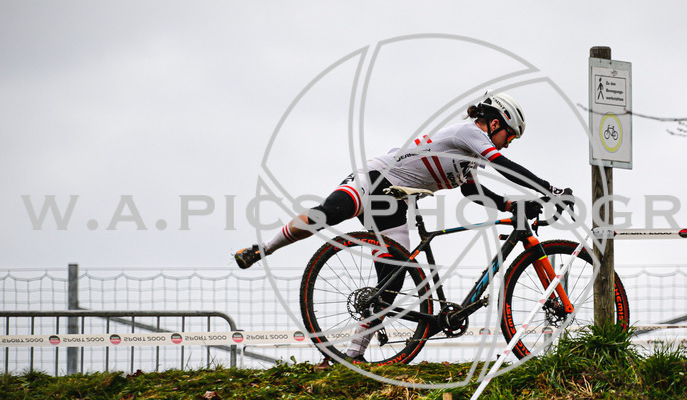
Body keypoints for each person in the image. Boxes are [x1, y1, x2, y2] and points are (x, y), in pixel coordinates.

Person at [233, 91, 571, 363]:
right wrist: (549, 190)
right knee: (333, 211)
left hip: (395, 202)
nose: (507, 142)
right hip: (375, 178)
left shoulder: (470, 157)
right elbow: (507, 166)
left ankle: (351, 358)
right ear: (495, 122)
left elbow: (472, 191)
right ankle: (264, 248)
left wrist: (511, 204)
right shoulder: (470, 132)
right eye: (508, 135)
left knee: (390, 286)